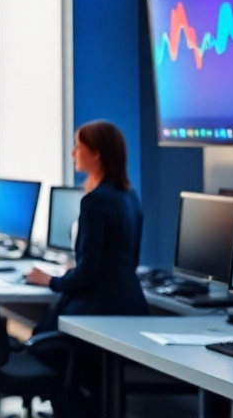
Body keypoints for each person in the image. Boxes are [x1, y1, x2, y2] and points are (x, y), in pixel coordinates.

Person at [27, 121, 147, 323]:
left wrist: (49, 280)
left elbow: (87, 274)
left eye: (78, 146)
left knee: (41, 334)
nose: (73, 153)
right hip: (131, 302)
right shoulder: (131, 196)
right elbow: (126, 262)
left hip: (100, 308)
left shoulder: (95, 201)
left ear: (96, 153)